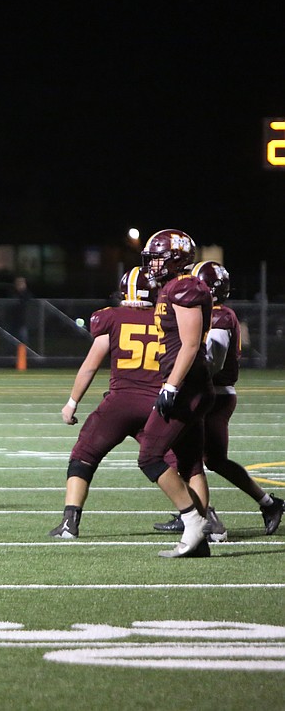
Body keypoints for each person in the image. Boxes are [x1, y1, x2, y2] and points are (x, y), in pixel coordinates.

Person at [154, 260, 285, 537]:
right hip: (208, 393)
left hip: (215, 394)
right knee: (204, 459)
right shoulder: (209, 312)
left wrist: (182, 377)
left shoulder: (218, 316)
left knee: (191, 457)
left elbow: (212, 361)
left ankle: (205, 515)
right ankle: (255, 505)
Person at [49, 267, 161, 538]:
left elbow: (90, 366)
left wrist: (72, 403)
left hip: (120, 403)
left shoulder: (110, 318)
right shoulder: (169, 319)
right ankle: (201, 516)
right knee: (172, 463)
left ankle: (69, 522)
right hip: (157, 404)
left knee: (83, 456)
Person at [134, 229, 216, 558]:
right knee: (189, 463)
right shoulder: (172, 288)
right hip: (189, 384)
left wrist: (171, 386)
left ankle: (193, 521)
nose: (152, 265)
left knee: (150, 456)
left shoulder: (185, 287)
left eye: (158, 258)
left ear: (176, 258)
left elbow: (192, 344)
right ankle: (200, 541)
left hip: (187, 386)